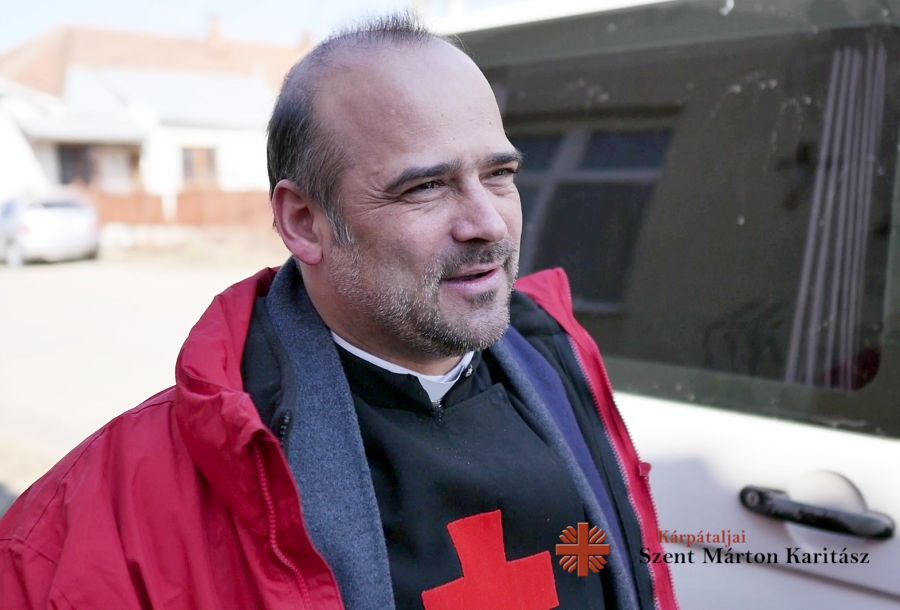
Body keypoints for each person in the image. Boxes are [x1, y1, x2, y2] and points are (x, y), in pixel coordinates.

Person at [0, 15, 677, 610]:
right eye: (427, 186)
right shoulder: (100, 521)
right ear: (304, 221)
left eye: (499, 175)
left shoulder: (562, 366)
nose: (488, 223)